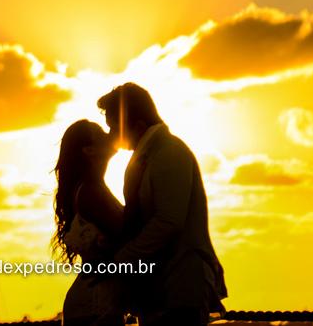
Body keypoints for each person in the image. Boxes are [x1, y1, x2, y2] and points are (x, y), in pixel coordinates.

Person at [97, 83, 227, 326]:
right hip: (162, 294)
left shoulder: (169, 152)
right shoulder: (147, 156)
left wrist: (120, 260)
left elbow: (169, 222)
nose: (110, 135)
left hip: (180, 290)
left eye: (115, 128)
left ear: (138, 126)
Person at [53, 119, 126, 326]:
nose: (110, 133)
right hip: (94, 305)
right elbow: (132, 235)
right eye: (102, 132)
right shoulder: (90, 191)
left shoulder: (94, 187)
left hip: (98, 303)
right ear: (89, 150)